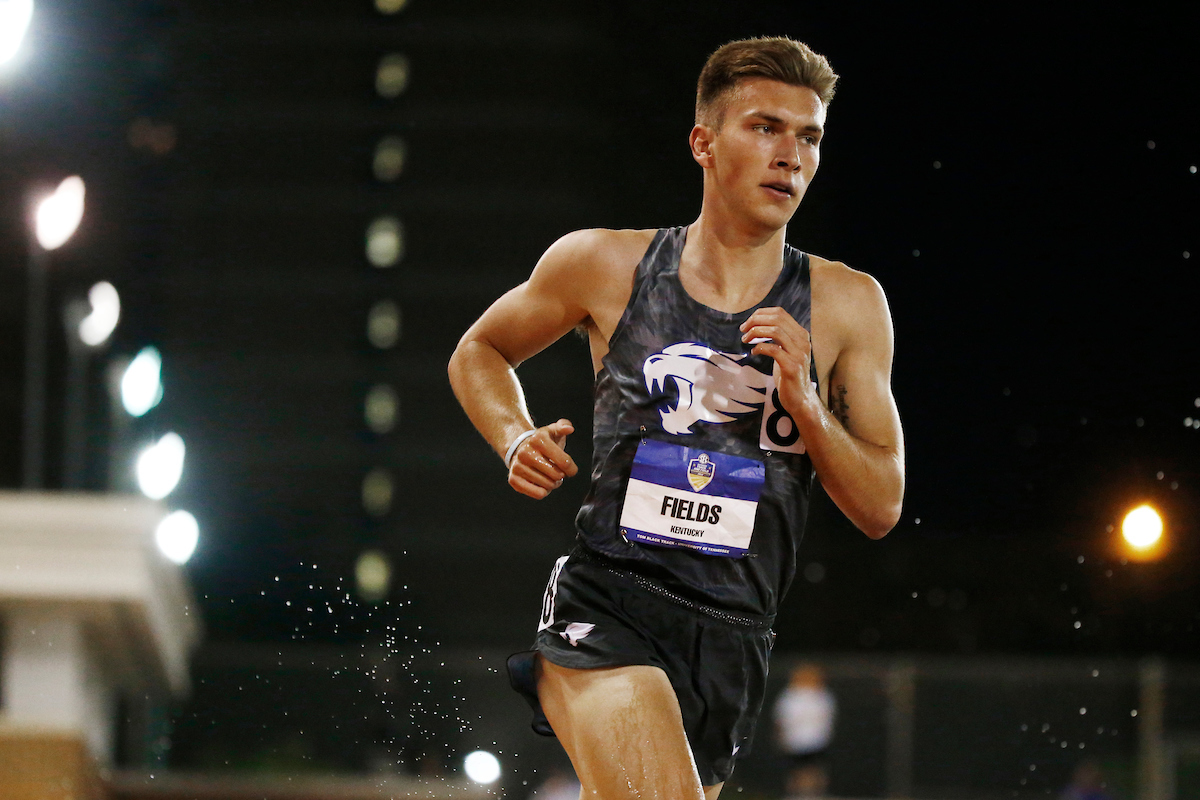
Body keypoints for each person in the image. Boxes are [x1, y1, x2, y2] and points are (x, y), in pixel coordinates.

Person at [448, 36, 904, 800]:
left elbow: (882, 504)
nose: (790, 154)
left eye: (809, 136)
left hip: (734, 641)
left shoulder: (847, 304)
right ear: (704, 142)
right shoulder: (604, 264)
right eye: (764, 127)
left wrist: (808, 405)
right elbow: (481, 348)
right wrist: (512, 435)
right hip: (610, 606)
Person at [774, 662, 837, 799]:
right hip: (795, 741)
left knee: (813, 770)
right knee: (796, 772)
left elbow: (826, 719)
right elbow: (782, 719)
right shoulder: (790, 695)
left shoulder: (821, 695)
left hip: (815, 741)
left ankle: (812, 795)